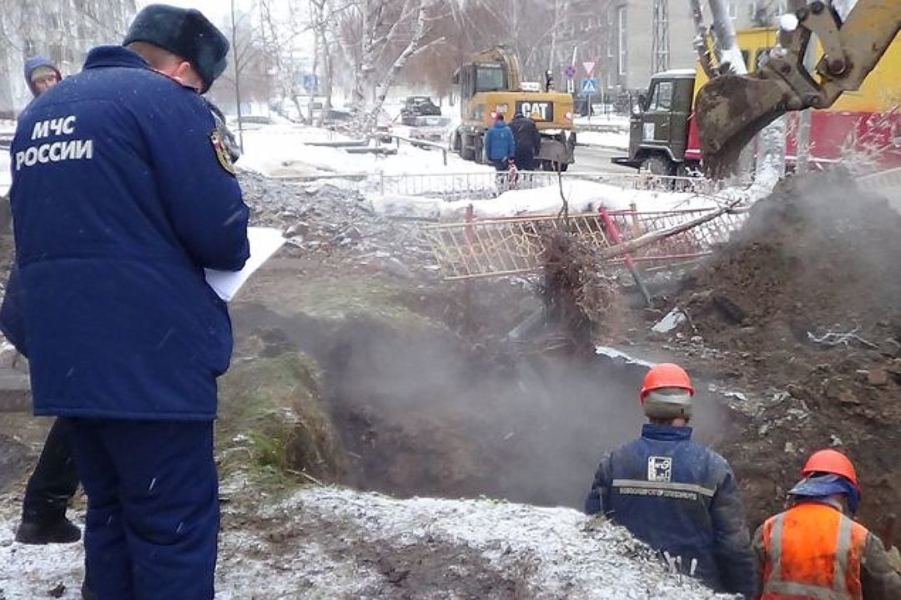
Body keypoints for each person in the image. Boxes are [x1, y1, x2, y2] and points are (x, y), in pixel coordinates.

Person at [4, 3, 249, 598]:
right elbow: (221, 233)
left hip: (66, 355)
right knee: (173, 527)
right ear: (186, 70)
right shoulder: (170, 105)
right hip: (151, 358)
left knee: (111, 514)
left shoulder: (44, 111)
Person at [585, 363, 757, 597]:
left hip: (626, 589)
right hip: (694, 591)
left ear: (645, 403)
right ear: (687, 406)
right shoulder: (712, 467)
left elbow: (592, 532)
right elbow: (733, 546)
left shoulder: (615, 462)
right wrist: (745, 592)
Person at [4, 56, 82, 546]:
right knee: (91, 404)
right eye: (40, 80)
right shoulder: (67, 146)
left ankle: (45, 510)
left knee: (88, 403)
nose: (48, 85)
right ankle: (42, 510)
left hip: (38, 300)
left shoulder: (54, 140)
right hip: (48, 303)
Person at [754, 449, 901, 599]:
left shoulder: (770, 528)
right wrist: (890, 565)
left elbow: (747, 584)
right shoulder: (859, 538)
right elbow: (890, 594)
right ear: (846, 493)